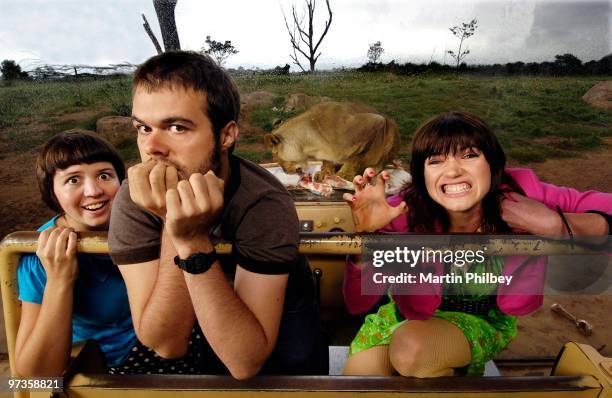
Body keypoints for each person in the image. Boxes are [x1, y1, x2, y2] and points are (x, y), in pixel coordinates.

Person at [342, 111, 612, 377]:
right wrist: (366, 238)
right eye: (435, 161)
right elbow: (356, 304)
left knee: (412, 351)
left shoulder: (524, 194)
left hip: (480, 320)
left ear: (493, 164)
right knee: (359, 378)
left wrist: (559, 226)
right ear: (422, 175)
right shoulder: (401, 212)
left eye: (469, 155)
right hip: (404, 318)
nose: (453, 171)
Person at [107, 51, 326, 378]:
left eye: (177, 127)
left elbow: (244, 361)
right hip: (200, 327)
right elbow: (166, 344)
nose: (152, 147)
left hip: (279, 333)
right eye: (143, 128)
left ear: (226, 135)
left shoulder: (263, 203)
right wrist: (173, 222)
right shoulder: (133, 198)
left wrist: (193, 239)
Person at [15, 131, 135, 376]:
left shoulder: (142, 225)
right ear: (52, 193)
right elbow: (37, 378)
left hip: (160, 346)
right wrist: (59, 280)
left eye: (104, 175)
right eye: (73, 180)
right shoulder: (39, 254)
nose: (93, 191)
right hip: (98, 367)